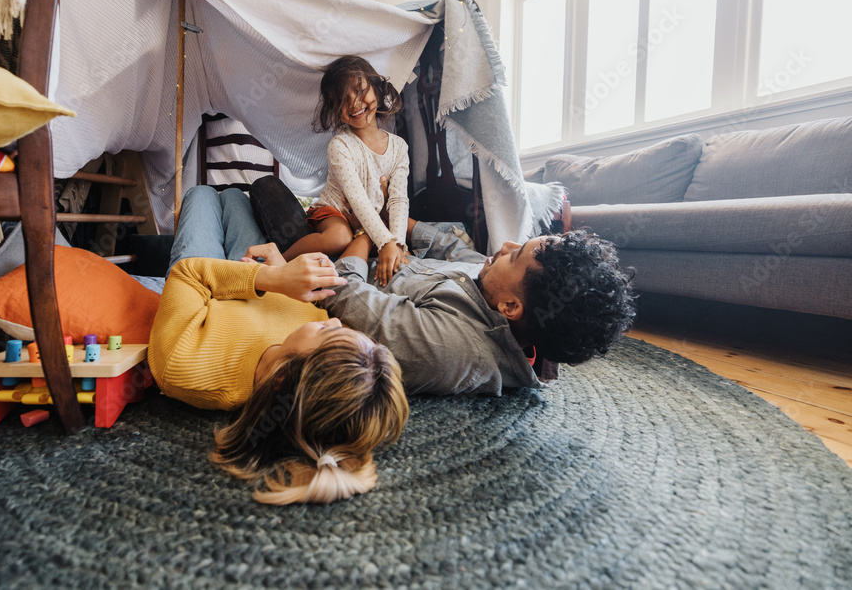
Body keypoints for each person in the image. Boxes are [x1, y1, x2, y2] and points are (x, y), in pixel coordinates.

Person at [248, 176, 637, 396]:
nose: (504, 247)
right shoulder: (496, 286)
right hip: (371, 236)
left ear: (511, 308)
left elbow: (346, 292)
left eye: (516, 255)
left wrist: (369, 235)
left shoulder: (452, 350)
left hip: (326, 263)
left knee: (263, 187)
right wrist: (395, 223)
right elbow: (453, 247)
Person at [149, 185, 409, 504]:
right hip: (254, 275)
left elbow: (187, 276)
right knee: (233, 196)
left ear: (284, 376)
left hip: (206, 278)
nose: (335, 320)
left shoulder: (184, 367)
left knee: (202, 193)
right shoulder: (306, 344)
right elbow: (292, 298)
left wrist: (270, 280)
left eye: (328, 332)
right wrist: (279, 269)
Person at [280, 55, 411, 287]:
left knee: (397, 233)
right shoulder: (340, 146)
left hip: (367, 218)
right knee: (340, 238)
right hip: (337, 211)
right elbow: (357, 200)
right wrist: (385, 242)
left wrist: (397, 244)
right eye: (343, 99)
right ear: (335, 110)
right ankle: (281, 260)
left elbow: (399, 199)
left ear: (377, 90)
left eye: (360, 91)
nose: (354, 103)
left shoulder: (399, 147)